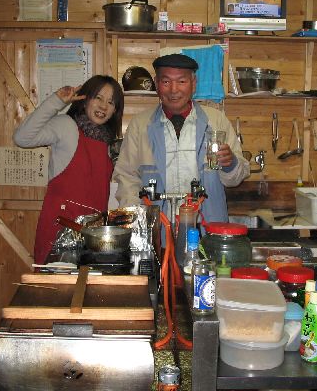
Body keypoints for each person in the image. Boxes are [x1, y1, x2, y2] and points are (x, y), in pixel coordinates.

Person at [113, 53, 250, 242]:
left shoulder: (216, 121)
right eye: (166, 82)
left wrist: (230, 164)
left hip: (209, 233)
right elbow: (126, 178)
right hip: (157, 234)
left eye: (182, 81)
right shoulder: (140, 125)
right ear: (156, 84)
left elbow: (236, 178)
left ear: (194, 84)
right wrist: (139, 226)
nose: (174, 90)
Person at [13, 75, 124, 264]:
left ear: (115, 110)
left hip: (93, 234)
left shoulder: (109, 143)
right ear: (85, 99)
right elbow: (22, 138)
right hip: (60, 231)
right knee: (57, 282)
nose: (103, 106)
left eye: (111, 102)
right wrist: (56, 102)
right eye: (98, 98)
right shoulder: (67, 126)